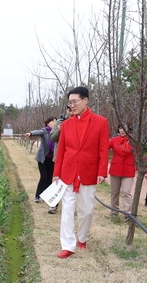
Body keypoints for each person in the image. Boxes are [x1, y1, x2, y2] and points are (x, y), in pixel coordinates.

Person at [53, 86, 109, 258]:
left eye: (75, 102)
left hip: (88, 171)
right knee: (67, 210)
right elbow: (61, 150)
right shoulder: (67, 125)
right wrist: (56, 173)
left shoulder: (100, 122)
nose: (72, 105)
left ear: (86, 100)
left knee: (86, 211)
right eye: (69, 103)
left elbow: (103, 149)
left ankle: (82, 237)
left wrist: (102, 171)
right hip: (67, 172)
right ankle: (68, 245)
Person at [24, 117, 57, 206]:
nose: (54, 122)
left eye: (55, 121)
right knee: (44, 177)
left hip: (52, 159)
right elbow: (38, 132)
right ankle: (37, 196)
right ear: (48, 123)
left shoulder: (57, 133)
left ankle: (46, 196)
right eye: (52, 121)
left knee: (49, 178)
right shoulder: (45, 131)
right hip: (43, 158)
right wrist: (30, 133)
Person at [47, 106, 74, 214]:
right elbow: (52, 137)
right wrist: (59, 130)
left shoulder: (79, 121)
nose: (71, 112)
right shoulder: (60, 121)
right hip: (59, 157)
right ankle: (53, 205)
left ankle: (71, 206)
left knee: (72, 182)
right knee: (56, 182)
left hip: (73, 158)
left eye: (72, 110)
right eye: (69, 110)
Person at [108, 124, 136, 216]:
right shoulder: (114, 140)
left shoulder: (133, 141)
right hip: (115, 169)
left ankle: (128, 214)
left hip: (128, 170)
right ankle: (114, 211)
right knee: (114, 192)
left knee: (126, 192)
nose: (122, 130)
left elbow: (138, 155)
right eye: (120, 128)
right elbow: (104, 147)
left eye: (124, 128)